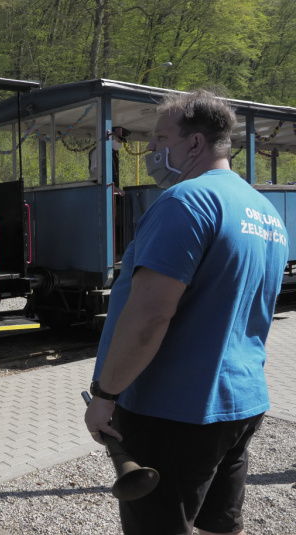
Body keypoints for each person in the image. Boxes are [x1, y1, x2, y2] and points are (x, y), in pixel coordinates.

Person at [84, 90, 288, 535]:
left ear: (194, 143)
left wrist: (105, 394)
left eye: (160, 138)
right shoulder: (265, 212)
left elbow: (149, 318)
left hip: (174, 410)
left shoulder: (185, 202)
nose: (152, 150)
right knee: (220, 524)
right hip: (240, 403)